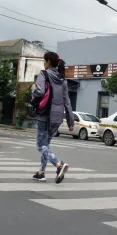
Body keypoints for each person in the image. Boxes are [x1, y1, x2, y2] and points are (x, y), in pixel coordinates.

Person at [32, 52, 74, 183]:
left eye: (44, 61)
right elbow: (67, 102)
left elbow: (40, 92)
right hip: (57, 117)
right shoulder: (63, 80)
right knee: (46, 145)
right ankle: (41, 172)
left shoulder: (43, 74)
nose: (43, 63)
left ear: (48, 62)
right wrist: (70, 122)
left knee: (40, 145)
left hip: (45, 113)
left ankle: (58, 165)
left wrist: (32, 90)